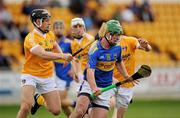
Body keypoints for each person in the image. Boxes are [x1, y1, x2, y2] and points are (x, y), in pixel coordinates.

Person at [16, 9, 73, 118]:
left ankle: (39, 99)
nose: (49, 23)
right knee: (26, 106)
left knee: (56, 110)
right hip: (30, 75)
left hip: (47, 76)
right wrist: (62, 56)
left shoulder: (50, 35)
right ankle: (34, 100)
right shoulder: (30, 38)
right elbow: (42, 54)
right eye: (46, 20)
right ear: (38, 22)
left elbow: (55, 46)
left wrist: (63, 57)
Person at [69, 20, 130, 118]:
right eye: (115, 35)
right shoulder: (95, 49)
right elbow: (90, 71)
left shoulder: (117, 48)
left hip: (105, 87)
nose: (118, 38)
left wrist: (126, 75)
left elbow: (118, 61)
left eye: (119, 35)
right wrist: (94, 88)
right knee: (80, 111)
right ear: (107, 34)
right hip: (89, 85)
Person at [112, 35, 151, 118]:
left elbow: (147, 48)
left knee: (119, 114)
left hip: (127, 83)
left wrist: (146, 46)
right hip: (111, 80)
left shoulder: (130, 40)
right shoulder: (108, 44)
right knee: (107, 104)